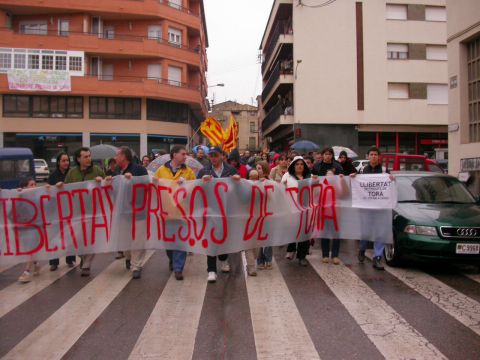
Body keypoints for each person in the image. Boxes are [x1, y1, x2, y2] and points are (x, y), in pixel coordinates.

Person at [197, 146, 239, 283]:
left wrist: (238, 180)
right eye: (211, 156)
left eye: (215, 155)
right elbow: (196, 190)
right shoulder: (204, 171)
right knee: (211, 239)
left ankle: (223, 259)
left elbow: (239, 190)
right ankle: (211, 270)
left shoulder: (231, 170)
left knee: (224, 237)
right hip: (210, 211)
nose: (213, 158)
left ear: (222, 156)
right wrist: (202, 182)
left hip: (227, 210)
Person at [154, 145, 196, 281]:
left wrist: (186, 185)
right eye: (183, 154)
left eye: (186, 154)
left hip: (182, 211)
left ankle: (178, 268)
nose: (185, 156)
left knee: (180, 241)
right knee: (169, 242)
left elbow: (194, 189)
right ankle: (172, 259)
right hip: (166, 211)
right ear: (174, 155)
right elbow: (155, 186)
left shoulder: (188, 171)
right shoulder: (161, 170)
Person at [63, 147, 105, 277]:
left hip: (93, 212)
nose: (89, 159)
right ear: (78, 159)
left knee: (91, 239)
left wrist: (101, 181)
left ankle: (86, 265)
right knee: (76, 240)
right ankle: (82, 255)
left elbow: (108, 186)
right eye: (85, 157)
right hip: (76, 212)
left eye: (89, 156)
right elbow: (65, 189)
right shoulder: (72, 173)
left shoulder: (97, 170)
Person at [350, 146, 391, 271]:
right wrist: (353, 178)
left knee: (379, 233)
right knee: (365, 233)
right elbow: (358, 186)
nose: (373, 156)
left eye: (375, 154)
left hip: (380, 209)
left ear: (379, 157)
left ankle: (377, 257)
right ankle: (362, 249)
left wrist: (392, 180)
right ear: (368, 157)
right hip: (366, 209)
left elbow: (390, 187)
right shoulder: (362, 171)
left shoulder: (385, 171)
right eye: (371, 154)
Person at [114, 146, 149, 279]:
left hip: (139, 210)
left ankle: (137, 266)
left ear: (124, 156)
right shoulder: (117, 170)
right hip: (123, 211)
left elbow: (147, 185)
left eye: (117, 155)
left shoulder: (139, 169)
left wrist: (133, 180)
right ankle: (128, 257)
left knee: (138, 240)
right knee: (125, 238)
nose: (115, 158)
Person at [48, 152, 76, 271]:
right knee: (55, 235)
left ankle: (70, 259)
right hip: (55, 209)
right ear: (58, 162)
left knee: (69, 234)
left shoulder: (72, 173)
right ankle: (54, 261)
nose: (66, 163)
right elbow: (48, 191)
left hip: (69, 209)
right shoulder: (53, 175)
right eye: (64, 161)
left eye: (67, 160)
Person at [281, 156, 312, 266]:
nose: (299, 166)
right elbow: (281, 191)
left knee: (304, 233)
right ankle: (291, 248)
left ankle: (302, 256)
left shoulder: (310, 177)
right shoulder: (287, 177)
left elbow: (316, 191)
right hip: (292, 210)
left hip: (306, 210)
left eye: (302, 164)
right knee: (293, 231)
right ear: (293, 166)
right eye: (297, 164)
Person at [17, 178, 41, 283]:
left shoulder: (38, 197)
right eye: (31, 185)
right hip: (24, 227)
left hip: (35, 228)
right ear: (25, 187)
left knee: (31, 248)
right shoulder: (21, 198)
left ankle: (26, 271)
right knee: (28, 248)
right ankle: (36, 264)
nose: (34, 186)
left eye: (35, 184)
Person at [254, 161, 274, 270]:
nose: (258, 170)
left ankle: (268, 259)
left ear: (265, 170)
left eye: (260, 168)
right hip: (256, 214)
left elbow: (272, 197)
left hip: (268, 214)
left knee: (268, 238)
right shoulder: (252, 182)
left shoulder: (270, 182)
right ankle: (259, 260)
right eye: (257, 168)